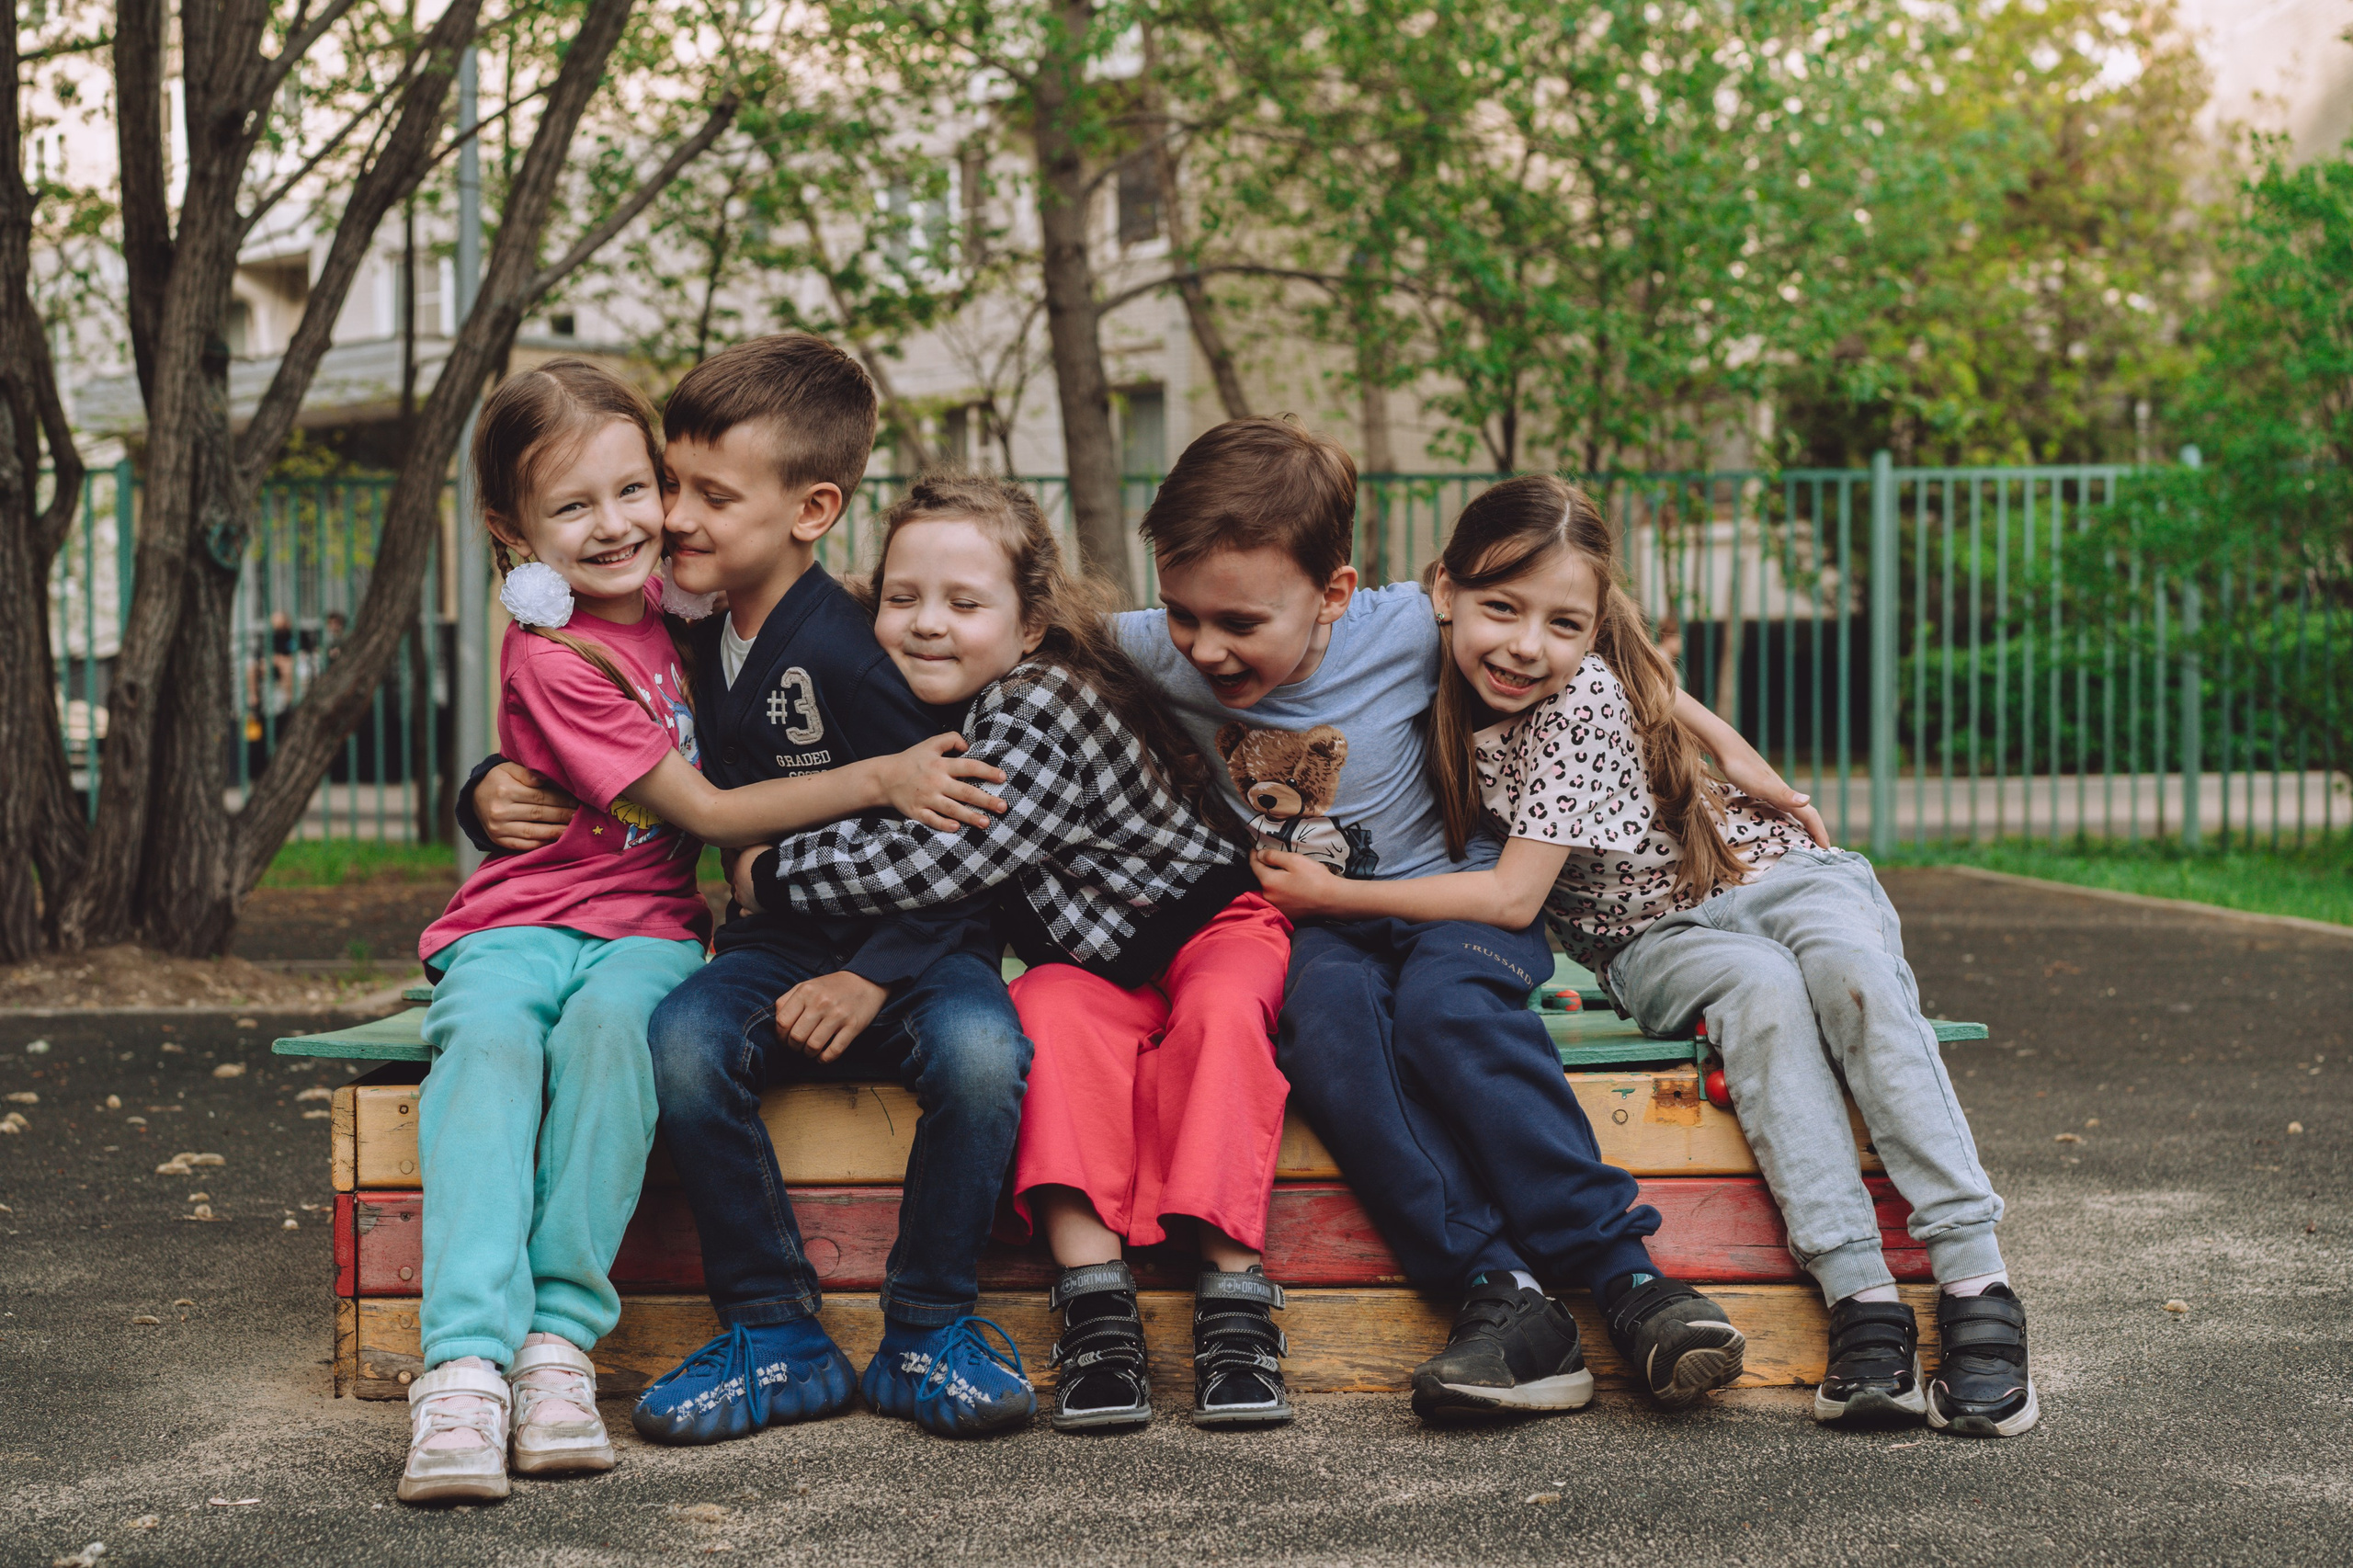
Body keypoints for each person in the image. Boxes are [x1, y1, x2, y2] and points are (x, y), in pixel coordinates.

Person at [1257, 473, 2035, 1438]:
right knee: (1763, 997)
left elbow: (1511, 894)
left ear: (1589, 628)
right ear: (1444, 589)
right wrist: (1726, 734)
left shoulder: (1571, 687)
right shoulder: (1438, 647)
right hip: (1647, 939)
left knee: (1854, 982)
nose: (1524, 643)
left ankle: (1974, 1276)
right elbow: (1626, 661)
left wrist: (1334, 894)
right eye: (1501, 608)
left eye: (1560, 623)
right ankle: (1860, 1297)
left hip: (1775, 874)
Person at [398, 359, 1009, 1505]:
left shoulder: (831, 640)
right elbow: (664, 776)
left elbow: (977, 839)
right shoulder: (688, 614)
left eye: (685, 494)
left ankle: (923, 1323)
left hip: (869, 940)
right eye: (661, 486)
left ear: (808, 511)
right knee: (590, 1041)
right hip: (664, 926)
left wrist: (877, 974)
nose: (662, 518)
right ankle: (695, 1336)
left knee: (966, 1053)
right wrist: (483, 784)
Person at [1114, 417, 1806, 1423]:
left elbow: (1592, 638)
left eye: (1238, 622)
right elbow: (1029, 624)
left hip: (1461, 895)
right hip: (1324, 925)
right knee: (1327, 1027)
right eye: (1185, 615)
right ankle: (1501, 1296)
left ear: (1334, 593)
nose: (1206, 648)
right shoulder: (1158, 641)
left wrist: (1724, 742)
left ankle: (1628, 1276)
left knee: (1445, 1008)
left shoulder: (1405, 620)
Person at [746, 474, 1296, 1433]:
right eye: (902, 597)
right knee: (1042, 1012)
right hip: (1100, 959)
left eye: (964, 603)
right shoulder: (950, 700)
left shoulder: (1036, 702)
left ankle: (1233, 1293)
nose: (926, 624)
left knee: (1216, 1017)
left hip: (1210, 924)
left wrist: (770, 872)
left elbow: (943, 857)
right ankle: (1093, 1294)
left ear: (1031, 621)